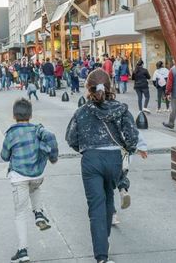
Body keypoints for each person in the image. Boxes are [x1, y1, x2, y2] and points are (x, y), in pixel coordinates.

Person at [67, 69, 139, 263]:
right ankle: (104, 239)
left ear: (88, 88)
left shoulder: (81, 111)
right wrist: (127, 150)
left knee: (96, 207)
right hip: (113, 158)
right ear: (109, 86)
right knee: (108, 197)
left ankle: (102, 256)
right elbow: (133, 138)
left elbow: (71, 138)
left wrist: (86, 149)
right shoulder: (121, 109)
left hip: (91, 160)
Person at [1, 98, 59, 263]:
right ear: (30, 115)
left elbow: (4, 156)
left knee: (20, 213)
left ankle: (22, 251)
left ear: (14, 116)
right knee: (34, 187)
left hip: (19, 176)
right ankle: (39, 213)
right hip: (37, 175)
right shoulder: (37, 130)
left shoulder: (12, 133)